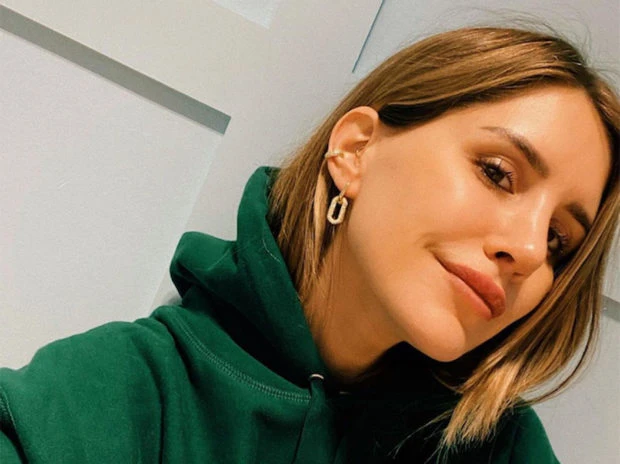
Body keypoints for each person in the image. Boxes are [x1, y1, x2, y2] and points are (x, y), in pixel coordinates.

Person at [0, 26, 618, 464]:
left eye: (559, 240)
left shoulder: (499, 449)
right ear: (355, 150)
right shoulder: (125, 395)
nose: (530, 250)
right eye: (498, 173)